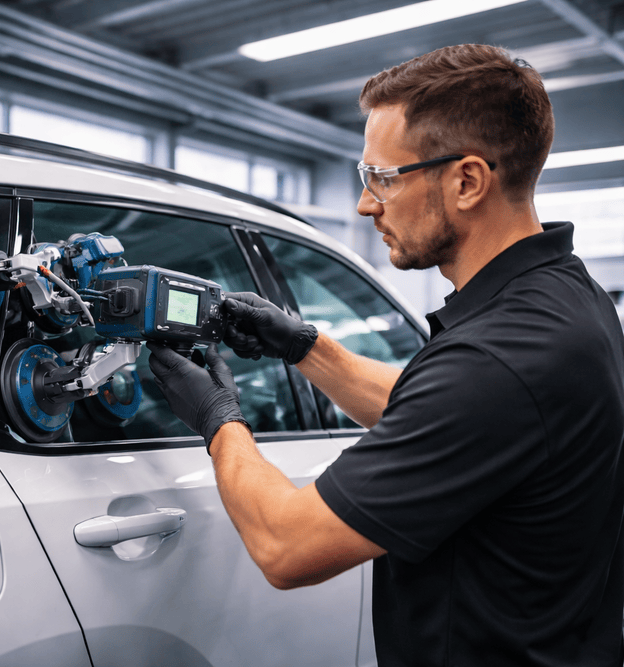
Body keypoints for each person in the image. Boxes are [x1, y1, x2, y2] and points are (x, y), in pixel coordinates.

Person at [148, 44, 624, 666]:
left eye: (383, 177)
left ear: (467, 181)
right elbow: (442, 413)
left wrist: (218, 419)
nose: (366, 203)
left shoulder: (496, 359)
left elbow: (285, 546)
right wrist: (301, 345)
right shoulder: (568, 297)